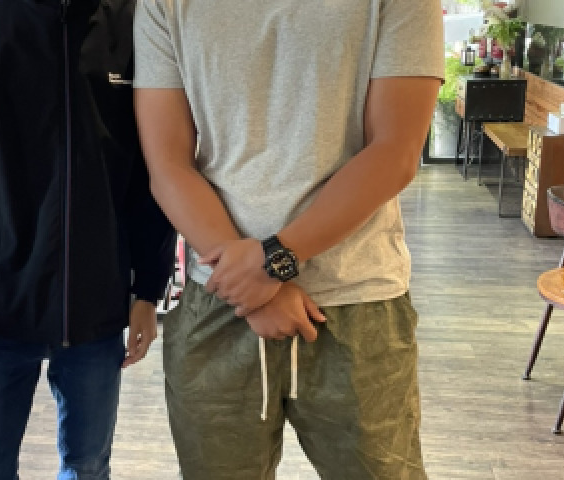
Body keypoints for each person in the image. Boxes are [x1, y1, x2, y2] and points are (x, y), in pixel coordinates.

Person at [133, 1, 444, 478]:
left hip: (355, 299)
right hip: (220, 301)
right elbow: (168, 164)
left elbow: (396, 152)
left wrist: (272, 264)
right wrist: (253, 285)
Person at [0, 1, 175, 478]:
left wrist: (148, 288)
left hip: (97, 303)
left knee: (87, 466)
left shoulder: (136, 22)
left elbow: (153, 175)